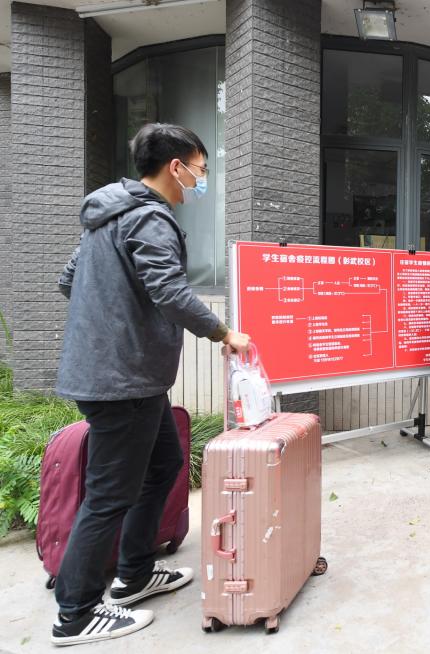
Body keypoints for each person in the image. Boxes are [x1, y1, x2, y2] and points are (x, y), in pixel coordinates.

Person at [51, 123, 250, 646]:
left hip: (126, 377)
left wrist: (115, 316)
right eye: (201, 170)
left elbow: (69, 281)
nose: (202, 180)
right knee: (109, 496)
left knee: (163, 465)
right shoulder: (150, 217)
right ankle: (75, 613)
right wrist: (224, 332)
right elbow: (169, 290)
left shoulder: (107, 216)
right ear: (175, 167)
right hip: (123, 380)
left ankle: (135, 574)